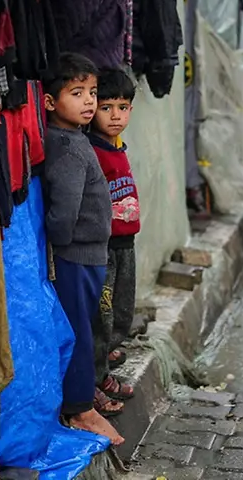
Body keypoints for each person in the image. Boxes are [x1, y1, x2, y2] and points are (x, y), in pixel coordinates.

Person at [42, 52, 123, 445]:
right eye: (77, 93)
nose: (90, 101)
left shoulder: (74, 138)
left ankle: (82, 398)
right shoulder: (68, 148)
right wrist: (60, 243)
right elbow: (63, 213)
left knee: (84, 328)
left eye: (91, 92)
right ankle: (80, 409)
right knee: (79, 333)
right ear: (49, 101)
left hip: (87, 255)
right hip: (75, 258)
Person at [88, 68, 140, 414]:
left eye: (122, 107)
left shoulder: (118, 147)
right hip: (103, 246)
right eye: (106, 108)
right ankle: (93, 382)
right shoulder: (92, 151)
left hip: (125, 244)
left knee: (122, 310)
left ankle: (104, 365)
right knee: (101, 316)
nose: (115, 116)